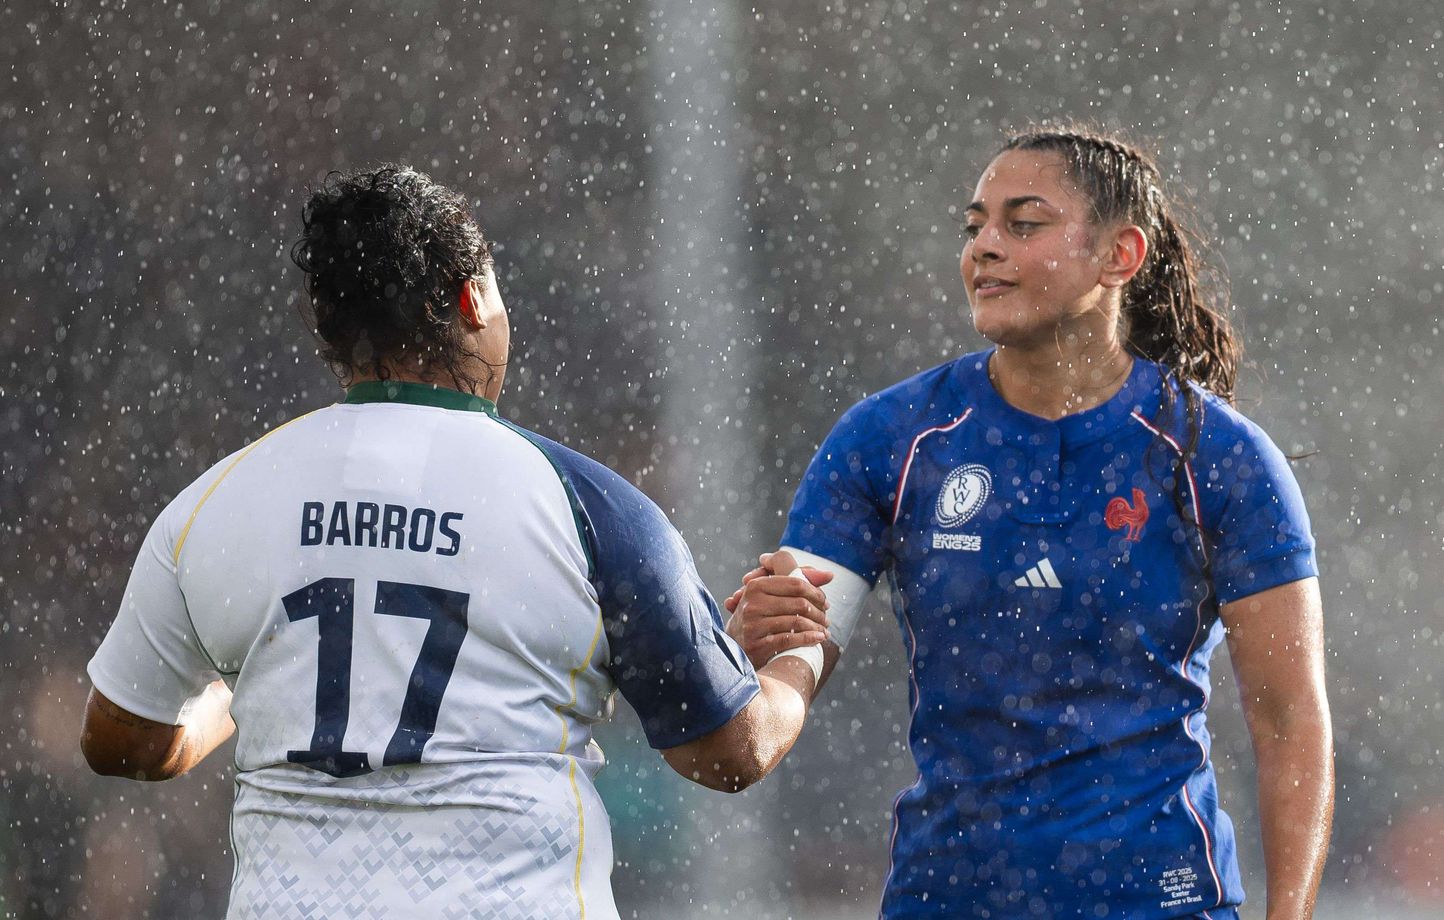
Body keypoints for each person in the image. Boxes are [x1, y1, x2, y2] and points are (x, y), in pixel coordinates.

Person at [80, 165, 827, 919]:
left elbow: (121, 742)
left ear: (329, 326)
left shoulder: (213, 504)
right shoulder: (590, 507)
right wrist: (797, 655)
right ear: (473, 299)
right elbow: (731, 753)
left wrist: (258, 680)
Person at [725, 126, 1333, 919]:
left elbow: (1290, 724)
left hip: (1161, 902)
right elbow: (787, 675)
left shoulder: (1216, 456)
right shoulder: (890, 440)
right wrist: (742, 657)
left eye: (1023, 223)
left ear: (1120, 255)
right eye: (974, 225)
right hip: (947, 899)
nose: (984, 246)